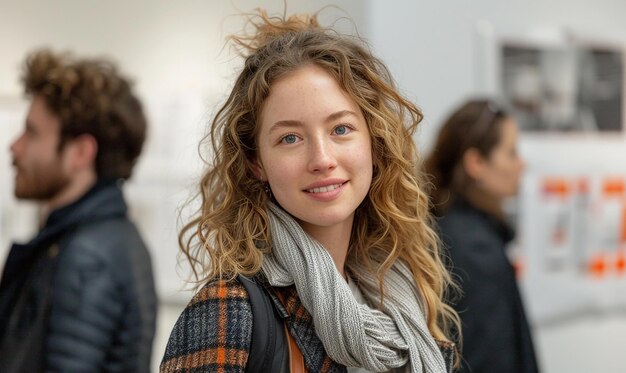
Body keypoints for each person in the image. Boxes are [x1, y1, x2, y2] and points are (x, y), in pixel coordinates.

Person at [161, 10, 459, 373]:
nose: (322, 158)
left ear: (374, 144)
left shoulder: (401, 301)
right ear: (257, 163)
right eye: (290, 138)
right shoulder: (229, 310)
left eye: (341, 129)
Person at [0, 49, 157, 372]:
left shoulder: (86, 256)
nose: (14, 146)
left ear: (81, 152)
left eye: (32, 133)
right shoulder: (102, 238)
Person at [424, 99, 539, 373]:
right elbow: (488, 359)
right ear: (476, 162)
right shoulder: (476, 250)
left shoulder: (446, 229)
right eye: (511, 153)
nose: (521, 164)